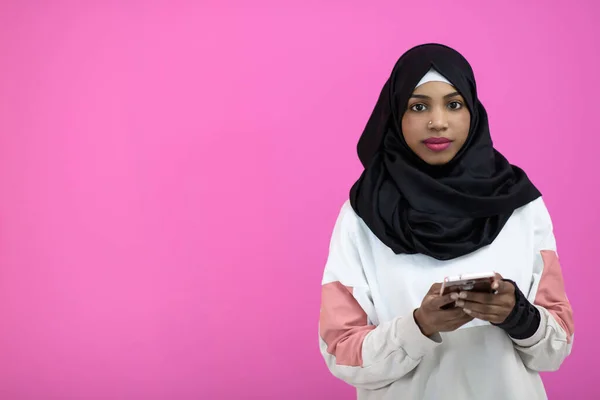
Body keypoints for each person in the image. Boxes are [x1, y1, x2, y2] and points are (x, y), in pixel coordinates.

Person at [318, 43, 574, 400]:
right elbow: (341, 352)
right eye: (418, 106)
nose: (437, 121)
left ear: (473, 111)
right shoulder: (362, 214)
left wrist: (519, 315)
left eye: (454, 104)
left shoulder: (520, 206)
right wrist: (420, 326)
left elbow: (556, 349)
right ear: (395, 114)